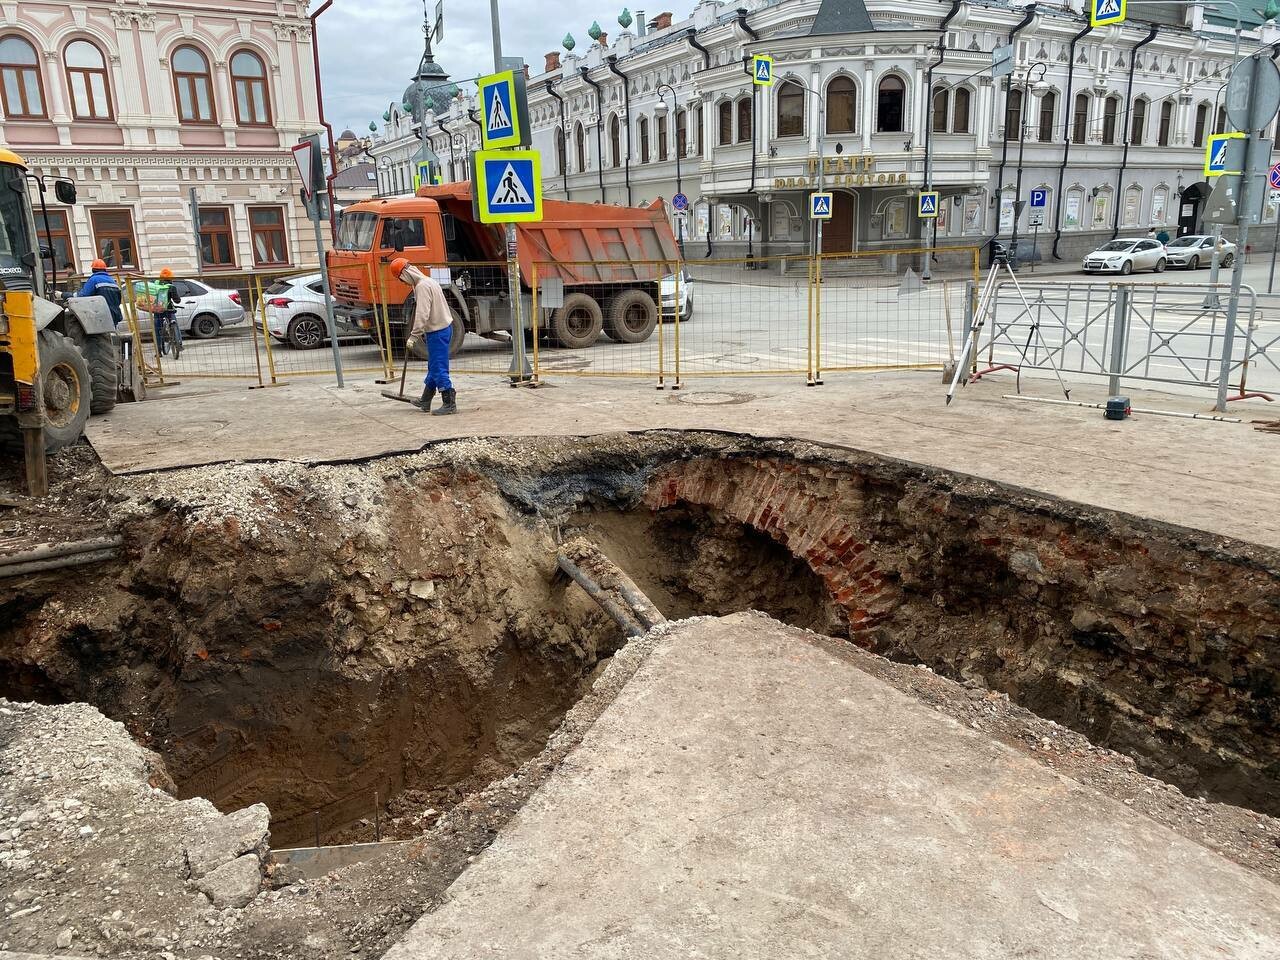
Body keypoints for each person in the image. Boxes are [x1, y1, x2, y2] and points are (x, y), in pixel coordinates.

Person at [393, 257, 457, 416]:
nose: (404, 283)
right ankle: (425, 400)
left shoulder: (421, 287)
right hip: (444, 329)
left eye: (401, 280)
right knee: (433, 367)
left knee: (439, 368)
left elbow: (422, 314)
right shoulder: (430, 281)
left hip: (437, 332)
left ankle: (449, 402)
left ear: (404, 274)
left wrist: (414, 336)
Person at [77, 259, 123, 327]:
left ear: (93, 270)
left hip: (100, 316)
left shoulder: (94, 280)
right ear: (105, 270)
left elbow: (84, 295)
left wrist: (72, 295)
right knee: (112, 334)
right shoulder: (113, 281)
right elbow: (118, 300)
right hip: (114, 315)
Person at [152, 267, 181, 356]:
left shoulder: (155, 285)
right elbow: (177, 300)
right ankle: (179, 343)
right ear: (171, 278)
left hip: (158, 310)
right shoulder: (172, 287)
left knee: (157, 330)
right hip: (169, 309)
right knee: (175, 324)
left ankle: (158, 351)